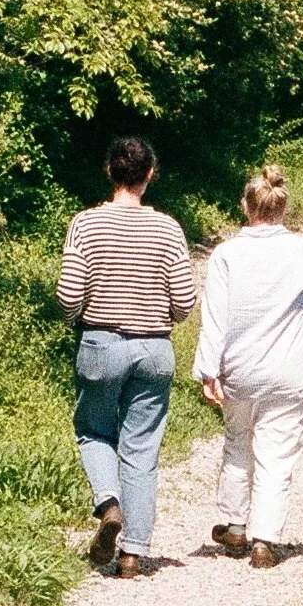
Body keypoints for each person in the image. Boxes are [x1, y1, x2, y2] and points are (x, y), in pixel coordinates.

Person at [56, 134, 197, 578]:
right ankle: (133, 554)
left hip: (101, 343)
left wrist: (74, 319)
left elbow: (68, 293)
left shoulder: (86, 224)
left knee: (93, 431)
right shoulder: (168, 228)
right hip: (154, 348)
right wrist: (163, 318)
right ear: (149, 175)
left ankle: (109, 504)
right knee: (142, 449)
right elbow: (185, 298)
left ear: (109, 171)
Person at [193, 164, 303, 567]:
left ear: (245, 206)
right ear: (284, 208)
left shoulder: (227, 254)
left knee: (238, 439)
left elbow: (215, 317)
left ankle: (235, 524)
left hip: (240, 368)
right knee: (278, 451)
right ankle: (265, 539)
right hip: (292, 368)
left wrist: (208, 368)